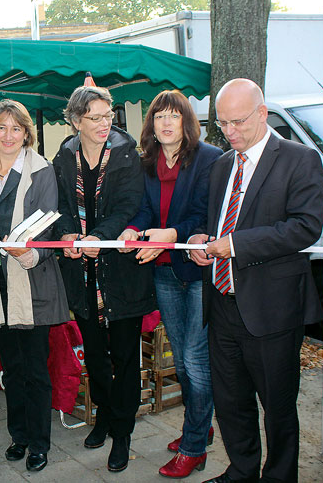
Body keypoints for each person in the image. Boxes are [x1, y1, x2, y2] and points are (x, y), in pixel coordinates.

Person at [188, 79, 323, 483]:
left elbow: (306, 227)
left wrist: (236, 245)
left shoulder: (300, 160)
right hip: (222, 303)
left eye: (238, 122)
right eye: (223, 124)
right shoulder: (220, 166)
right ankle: (242, 470)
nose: (230, 132)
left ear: (262, 113)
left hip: (272, 309)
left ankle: (280, 477)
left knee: (278, 407)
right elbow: (212, 224)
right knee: (231, 402)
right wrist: (200, 240)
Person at [0, 99, 69, 473]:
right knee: (11, 366)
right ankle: (18, 435)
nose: (8, 135)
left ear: (27, 134)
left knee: (36, 369)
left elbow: (49, 224)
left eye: (16, 129)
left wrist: (30, 252)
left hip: (31, 280)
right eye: (2, 128)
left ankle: (39, 442)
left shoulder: (42, 171)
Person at [119, 90, 222, 478]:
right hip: (162, 270)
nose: (165, 123)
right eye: (159, 116)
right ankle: (202, 423)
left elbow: (206, 214)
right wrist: (132, 229)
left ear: (186, 122)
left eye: (173, 117)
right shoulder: (148, 163)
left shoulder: (209, 159)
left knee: (195, 362)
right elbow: (144, 209)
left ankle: (194, 446)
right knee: (180, 359)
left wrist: (172, 233)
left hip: (196, 272)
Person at [52, 86, 155, 473]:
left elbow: (131, 204)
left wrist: (100, 237)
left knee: (125, 358)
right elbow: (58, 203)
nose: (104, 122)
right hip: (80, 270)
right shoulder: (63, 155)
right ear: (76, 120)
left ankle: (123, 433)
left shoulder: (127, 154)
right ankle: (106, 418)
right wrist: (67, 234)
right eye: (94, 116)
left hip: (119, 270)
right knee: (95, 355)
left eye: (107, 114)